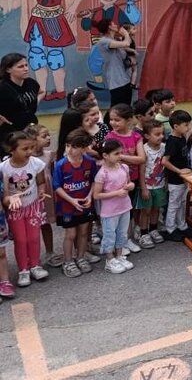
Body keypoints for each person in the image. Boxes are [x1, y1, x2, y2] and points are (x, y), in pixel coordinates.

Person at [1, 131, 50, 287]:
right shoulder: (4, 168)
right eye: (24, 149)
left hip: (33, 206)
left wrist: (42, 191)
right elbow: (5, 194)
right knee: (21, 240)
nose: (29, 152)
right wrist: (9, 202)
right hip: (15, 210)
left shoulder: (36, 163)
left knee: (34, 238)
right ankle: (23, 270)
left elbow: (40, 181)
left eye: (31, 147)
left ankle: (35, 265)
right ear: (11, 150)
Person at [52, 129, 100, 278]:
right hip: (67, 206)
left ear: (84, 147)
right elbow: (57, 186)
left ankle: (80, 257)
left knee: (84, 232)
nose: (69, 149)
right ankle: (68, 261)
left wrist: (90, 196)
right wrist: (71, 200)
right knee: (71, 234)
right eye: (67, 146)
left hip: (86, 204)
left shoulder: (90, 162)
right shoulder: (61, 165)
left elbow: (94, 181)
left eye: (73, 147)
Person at [104, 104, 145, 253]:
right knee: (116, 213)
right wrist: (128, 158)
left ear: (128, 120)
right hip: (114, 183)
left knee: (128, 212)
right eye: (111, 120)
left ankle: (126, 240)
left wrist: (120, 156)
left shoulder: (136, 136)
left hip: (131, 181)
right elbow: (109, 160)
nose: (113, 123)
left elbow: (141, 158)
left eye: (117, 120)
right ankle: (117, 243)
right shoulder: (110, 137)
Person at [92, 139, 136, 274]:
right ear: (105, 155)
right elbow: (96, 195)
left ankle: (119, 255)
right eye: (116, 154)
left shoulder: (124, 167)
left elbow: (129, 183)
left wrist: (131, 186)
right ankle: (109, 260)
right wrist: (116, 193)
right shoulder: (102, 174)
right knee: (110, 234)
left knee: (122, 233)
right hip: (110, 211)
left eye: (120, 153)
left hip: (124, 206)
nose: (120, 156)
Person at [25, 124, 59, 268]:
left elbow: (50, 174)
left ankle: (50, 253)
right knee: (30, 228)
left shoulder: (49, 154)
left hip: (46, 194)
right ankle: (30, 257)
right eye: (44, 136)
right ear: (33, 139)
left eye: (48, 135)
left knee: (45, 224)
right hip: (32, 195)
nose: (49, 138)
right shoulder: (26, 157)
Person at [161, 110, 192, 242]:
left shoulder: (182, 137)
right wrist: (179, 171)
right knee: (174, 204)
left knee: (182, 203)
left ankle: (182, 225)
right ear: (176, 126)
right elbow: (164, 161)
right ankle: (170, 228)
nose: (188, 127)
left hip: (183, 179)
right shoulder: (172, 141)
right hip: (175, 180)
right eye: (186, 125)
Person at [136, 120, 168, 250]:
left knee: (156, 208)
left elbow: (165, 166)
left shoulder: (164, 148)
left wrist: (166, 181)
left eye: (162, 133)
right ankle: (144, 233)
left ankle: (153, 229)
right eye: (157, 134)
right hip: (147, 186)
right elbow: (141, 170)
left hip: (160, 184)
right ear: (147, 136)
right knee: (146, 210)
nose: (161, 136)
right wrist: (143, 188)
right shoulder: (144, 150)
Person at [0, 53, 40, 147]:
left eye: (26, 65)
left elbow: (41, 92)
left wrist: (36, 101)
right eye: (20, 67)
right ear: (8, 69)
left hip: (30, 129)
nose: (26, 69)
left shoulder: (31, 83)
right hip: (9, 133)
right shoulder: (2, 87)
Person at [95, 19, 134, 107]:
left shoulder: (115, 39)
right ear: (109, 27)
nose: (116, 25)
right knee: (117, 108)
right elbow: (127, 43)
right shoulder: (104, 41)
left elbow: (127, 44)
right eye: (114, 24)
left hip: (125, 79)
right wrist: (125, 33)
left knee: (126, 107)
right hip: (116, 81)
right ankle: (107, 120)